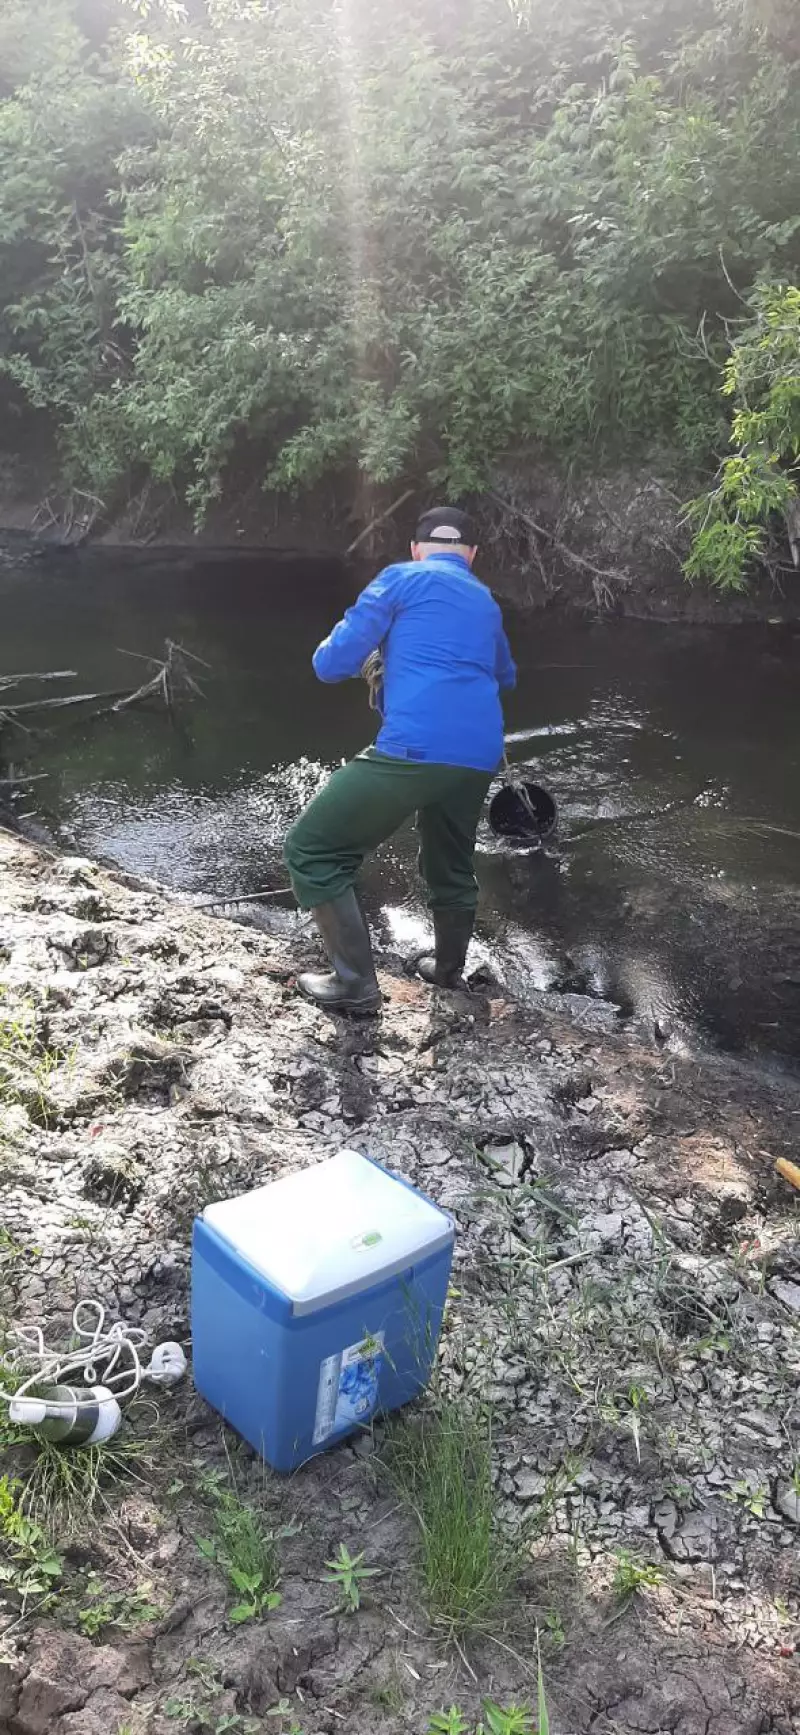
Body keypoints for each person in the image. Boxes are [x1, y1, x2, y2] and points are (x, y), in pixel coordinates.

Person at [284, 506, 517, 1014]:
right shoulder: (485, 601)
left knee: (313, 849)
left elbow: (330, 664)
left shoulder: (398, 580)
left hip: (416, 746)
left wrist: (379, 657)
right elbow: (504, 676)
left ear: (415, 549)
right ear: (471, 556)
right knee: (450, 861)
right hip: (479, 754)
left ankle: (354, 985)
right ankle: (448, 971)